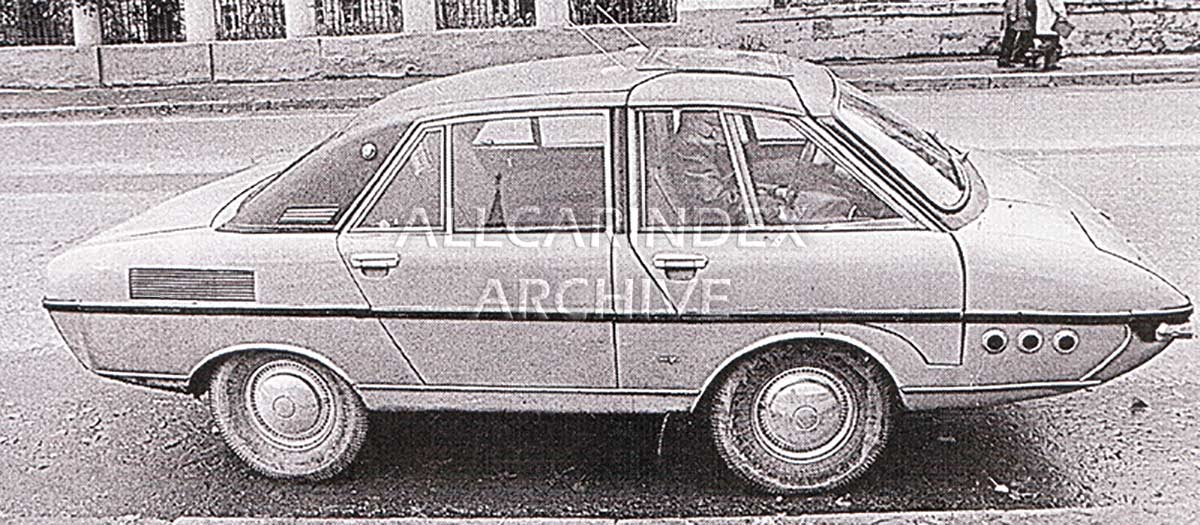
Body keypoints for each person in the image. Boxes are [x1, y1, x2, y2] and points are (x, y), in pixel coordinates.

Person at [997, 0, 1035, 68]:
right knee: (1011, 36)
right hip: (1017, 15)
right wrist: (1012, 13)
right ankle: (1004, 59)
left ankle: (1020, 55)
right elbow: (1012, 2)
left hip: (1025, 14)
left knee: (1026, 36)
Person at [1035, 0, 1070, 71]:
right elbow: (1056, 3)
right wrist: (1062, 13)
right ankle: (1050, 63)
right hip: (1050, 20)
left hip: (1041, 20)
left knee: (1047, 42)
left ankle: (1045, 61)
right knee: (1052, 44)